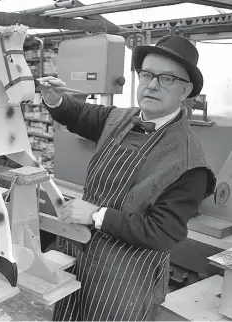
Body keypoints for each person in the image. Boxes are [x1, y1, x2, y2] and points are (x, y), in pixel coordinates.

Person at [38, 35, 216, 321]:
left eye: (167, 78)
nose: (153, 84)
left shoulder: (188, 162)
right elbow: (80, 114)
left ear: (186, 90)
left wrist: (96, 214)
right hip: (79, 255)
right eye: (146, 74)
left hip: (124, 279)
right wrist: (55, 100)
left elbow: (162, 232)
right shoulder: (120, 117)